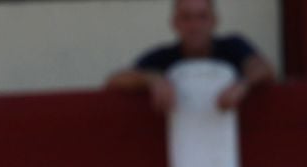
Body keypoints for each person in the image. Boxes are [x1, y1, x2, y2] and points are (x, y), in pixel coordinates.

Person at [105, 0, 275, 112]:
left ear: (214, 21)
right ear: (175, 23)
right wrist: (153, 80)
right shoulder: (163, 57)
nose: (194, 26)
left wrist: (242, 85)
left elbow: (264, 69)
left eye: (202, 17)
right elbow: (115, 80)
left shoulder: (233, 46)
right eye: (186, 18)